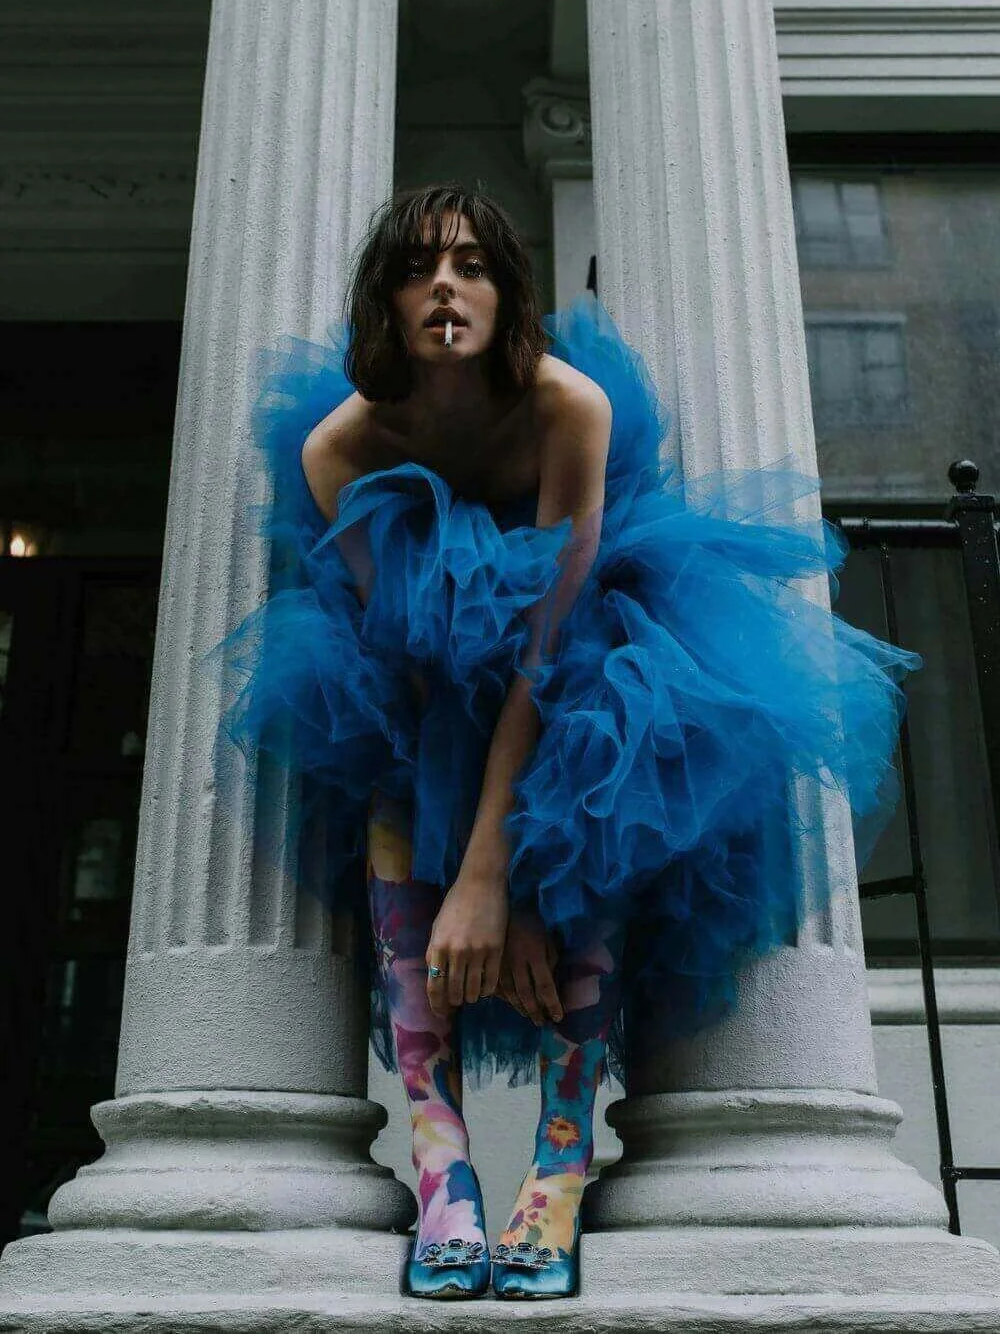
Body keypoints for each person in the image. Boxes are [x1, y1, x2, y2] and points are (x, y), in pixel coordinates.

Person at [218, 183, 921, 1301]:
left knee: (598, 790)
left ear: (508, 290)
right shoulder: (340, 445)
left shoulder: (567, 409)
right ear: (386, 303)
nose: (444, 286)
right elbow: (405, 673)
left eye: (471, 265)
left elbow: (543, 657)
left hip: (591, 656)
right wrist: (457, 880)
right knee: (396, 842)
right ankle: (443, 1174)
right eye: (416, 269)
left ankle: (557, 1167)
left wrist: (509, 878)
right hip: (426, 688)